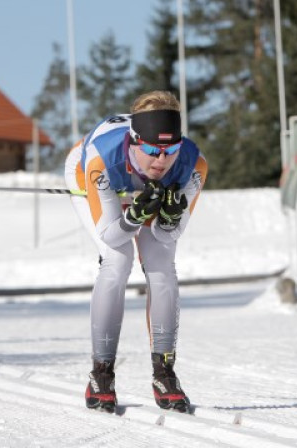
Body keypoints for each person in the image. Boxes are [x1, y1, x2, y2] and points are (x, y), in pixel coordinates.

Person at [64, 91, 208, 413]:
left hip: (133, 186)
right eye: (153, 151)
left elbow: (167, 235)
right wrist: (133, 216)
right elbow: (111, 234)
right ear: (133, 141)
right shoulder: (104, 158)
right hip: (92, 169)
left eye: (171, 150)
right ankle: (101, 374)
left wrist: (169, 217)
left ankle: (164, 373)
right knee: (118, 259)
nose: (161, 161)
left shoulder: (193, 164)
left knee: (161, 264)